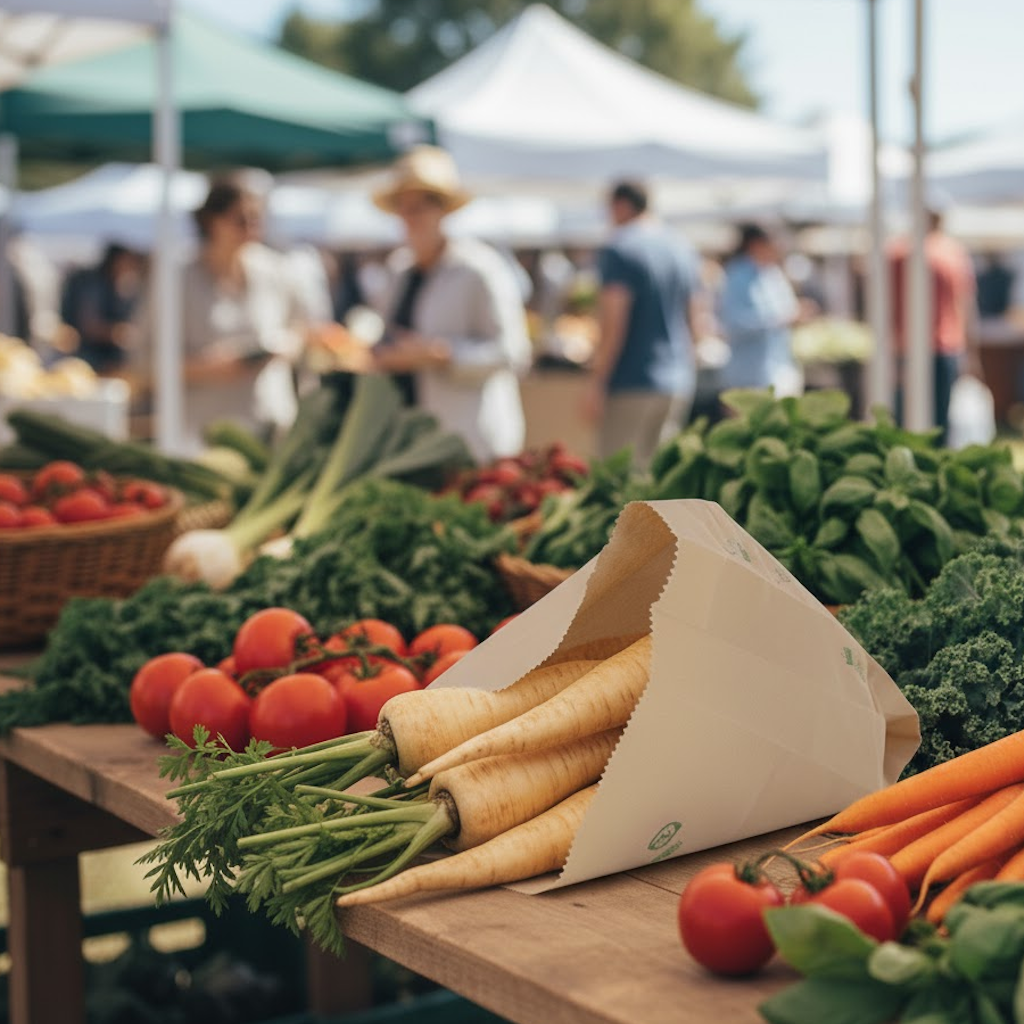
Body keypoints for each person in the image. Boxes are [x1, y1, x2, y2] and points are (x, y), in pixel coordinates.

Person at [134, 172, 320, 452]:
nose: (252, 229)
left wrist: (282, 346)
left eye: (257, 219)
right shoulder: (176, 278)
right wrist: (208, 367)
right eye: (241, 220)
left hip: (270, 424)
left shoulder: (277, 271)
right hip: (200, 435)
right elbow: (144, 363)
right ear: (211, 221)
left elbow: (304, 332)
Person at [368, 145, 531, 462]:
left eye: (420, 207)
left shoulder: (480, 268)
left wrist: (442, 354)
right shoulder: (398, 270)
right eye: (404, 207)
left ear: (442, 210)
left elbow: (513, 353)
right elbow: (390, 337)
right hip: (410, 438)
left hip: (470, 439)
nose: (411, 217)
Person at [581, 180, 702, 469]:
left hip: (632, 380)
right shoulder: (681, 246)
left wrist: (597, 382)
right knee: (658, 477)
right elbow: (696, 317)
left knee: (616, 478)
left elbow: (614, 321)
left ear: (621, 205)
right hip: (677, 379)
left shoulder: (620, 248)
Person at [887, 208, 981, 444]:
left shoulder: (899, 251)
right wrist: (972, 354)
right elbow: (966, 306)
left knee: (904, 424)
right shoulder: (952, 253)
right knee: (939, 425)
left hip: (910, 347)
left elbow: (887, 306)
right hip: (943, 347)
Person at [717, 223, 801, 398]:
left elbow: (788, 308)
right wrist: (778, 320)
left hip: (779, 369)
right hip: (748, 374)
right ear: (756, 245)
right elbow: (731, 323)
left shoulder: (773, 274)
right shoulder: (737, 276)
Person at [60, 243, 144, 375]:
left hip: (105, 360)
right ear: (117, 260)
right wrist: (117, 333)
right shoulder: (94, 284)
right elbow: (89, 325)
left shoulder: (114, 284)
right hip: (90, 359)